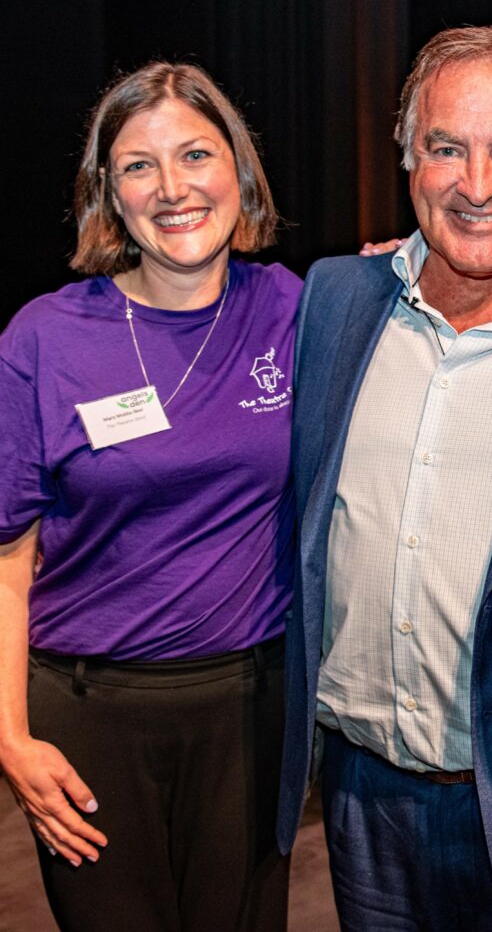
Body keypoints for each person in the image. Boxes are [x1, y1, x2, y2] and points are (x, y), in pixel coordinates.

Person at [276, 25, 492, 932]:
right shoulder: (335, 298)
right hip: (362, 799)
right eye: (446, 148)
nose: (477, 185)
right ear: (409, 161)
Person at [0, 61, 300, 932]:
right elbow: (7, 560)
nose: (173, 188)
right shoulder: (44, 339)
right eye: (139, 165)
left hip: (252, 710)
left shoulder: (296, 308)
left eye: (196, 155)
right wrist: (11, 741)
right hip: (88, 717)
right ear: (109, 193)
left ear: (238, 173)